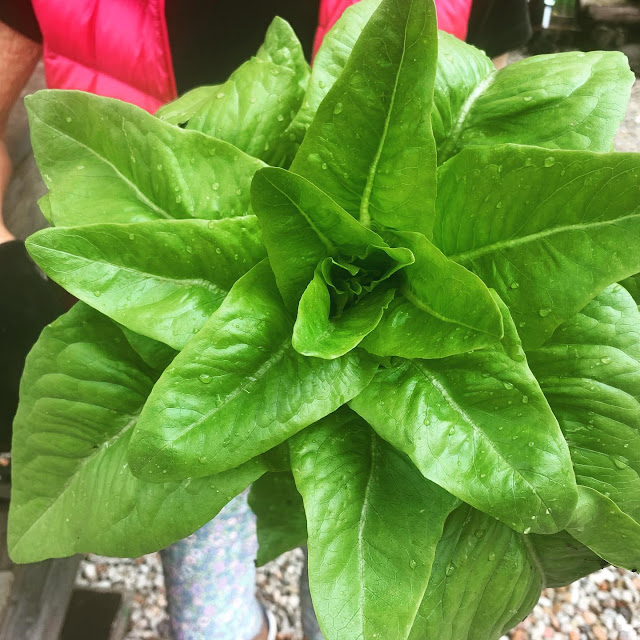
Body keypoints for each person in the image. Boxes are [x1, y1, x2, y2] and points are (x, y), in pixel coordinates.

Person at [0, 2, 474, 639]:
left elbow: (482, 99)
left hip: (367, 399)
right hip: (173, 330)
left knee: (354, 586)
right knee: (203, 576)